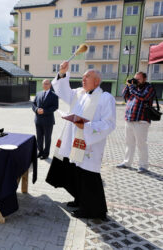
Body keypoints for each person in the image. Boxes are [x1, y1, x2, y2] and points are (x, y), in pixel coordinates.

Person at [45, 61, 116, 220]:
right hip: (74, 142)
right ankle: (80, 200)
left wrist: (87, 126)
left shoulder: (105, 98)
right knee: (76, 173)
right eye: (82, 77)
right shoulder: (78, 93)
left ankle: (93, 210)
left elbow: (109, 124)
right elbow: (62, 91)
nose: (83, 80)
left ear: (96, 81)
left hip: (90, 145)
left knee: (88, 176)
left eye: (87, 77)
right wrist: (63, 73)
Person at [117, 72, 156, 173]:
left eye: (138, 79)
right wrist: (128, 85)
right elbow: (124, 96)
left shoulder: (149, 87)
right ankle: (127, 162)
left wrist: (132, 88)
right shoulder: (133, 88)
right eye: (135, 79)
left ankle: (143, 166)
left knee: (141, 144)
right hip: (130, 118)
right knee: (129, 143)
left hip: (141, 120)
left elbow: (143, 97)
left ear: (144, 79)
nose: (136, 81)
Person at [32, 79, 59, 160]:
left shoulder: (54, 95)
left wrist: (44, 111)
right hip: (38, 120)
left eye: (47, 84)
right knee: (39, 137)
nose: (45, 85)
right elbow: (33, 104)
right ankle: (40, 152)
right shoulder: (38, 93)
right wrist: (36, 109)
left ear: (50, 85)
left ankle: (46, 154)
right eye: (44, 84)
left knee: (47, 138)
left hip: (48, 121)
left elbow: (55, 106)